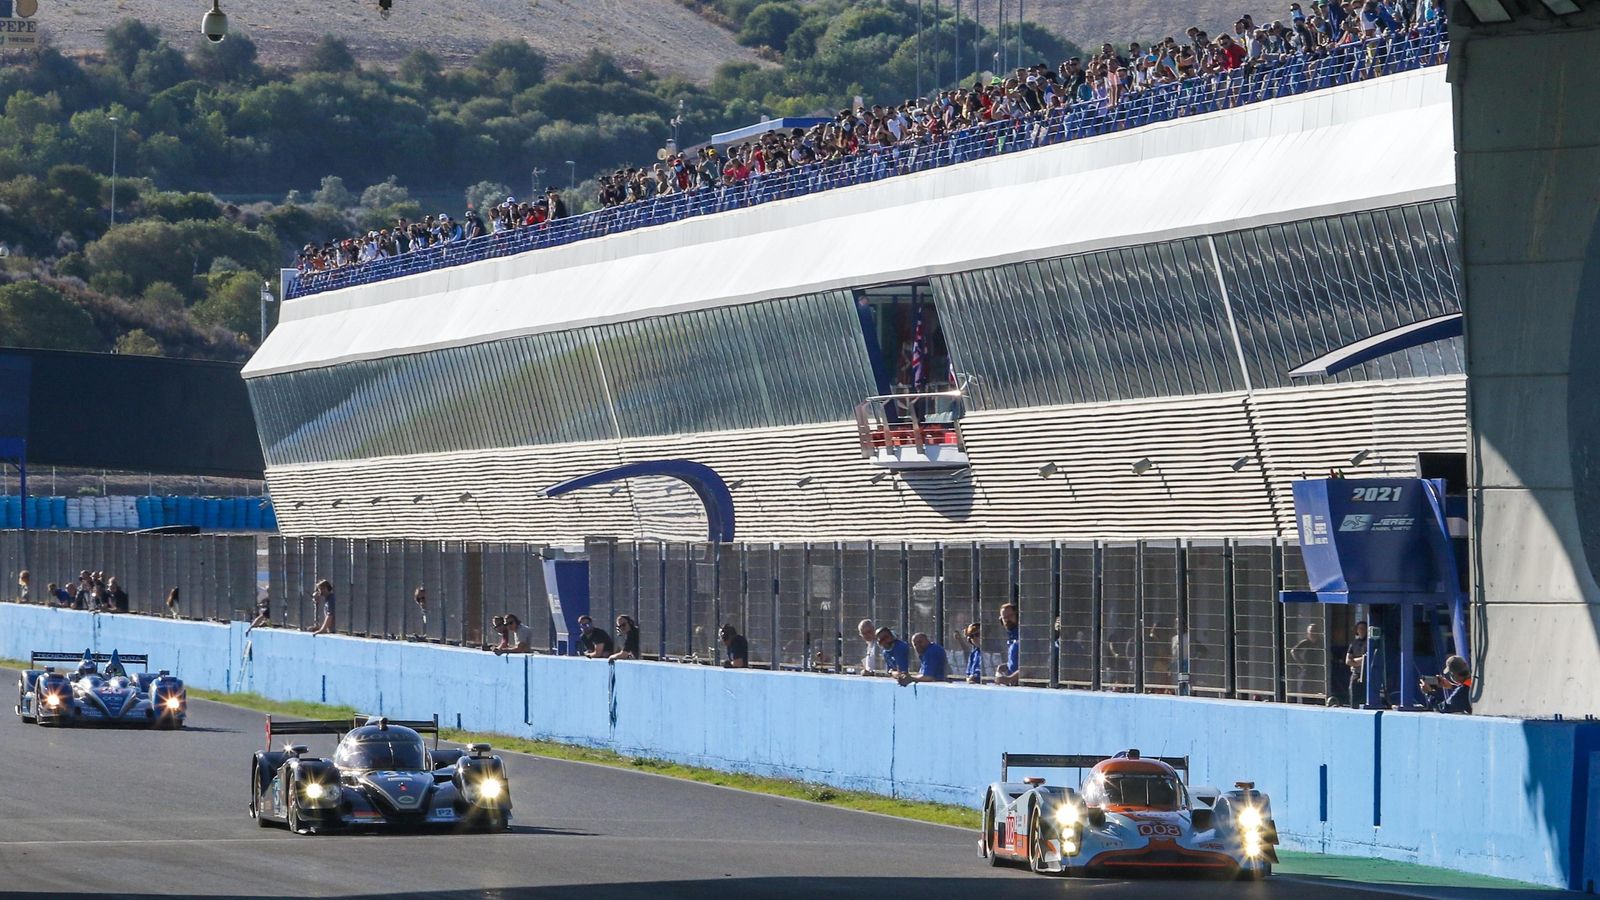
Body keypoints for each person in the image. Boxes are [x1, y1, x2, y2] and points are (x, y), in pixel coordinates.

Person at [995, 602, 1022, 685]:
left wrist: (1010, 679)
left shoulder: (1025, 635)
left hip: (1027, 686)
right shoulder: (1011, 637)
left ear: (1017, 616)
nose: (1007, 620)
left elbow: (1034, 665)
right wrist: (1006, 666)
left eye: (1010, 616)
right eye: (1004, 618)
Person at [1346, 621, 1369, 707]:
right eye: (1360, 628)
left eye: (1364, 628)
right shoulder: (1353, 643)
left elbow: (1368, 658)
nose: (1362, 630)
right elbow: (1348, 661)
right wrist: (1361, 660)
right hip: (1356, 674)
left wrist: (1355, 661)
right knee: (1353, 696)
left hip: (1367, 675)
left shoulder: (1369, 643)